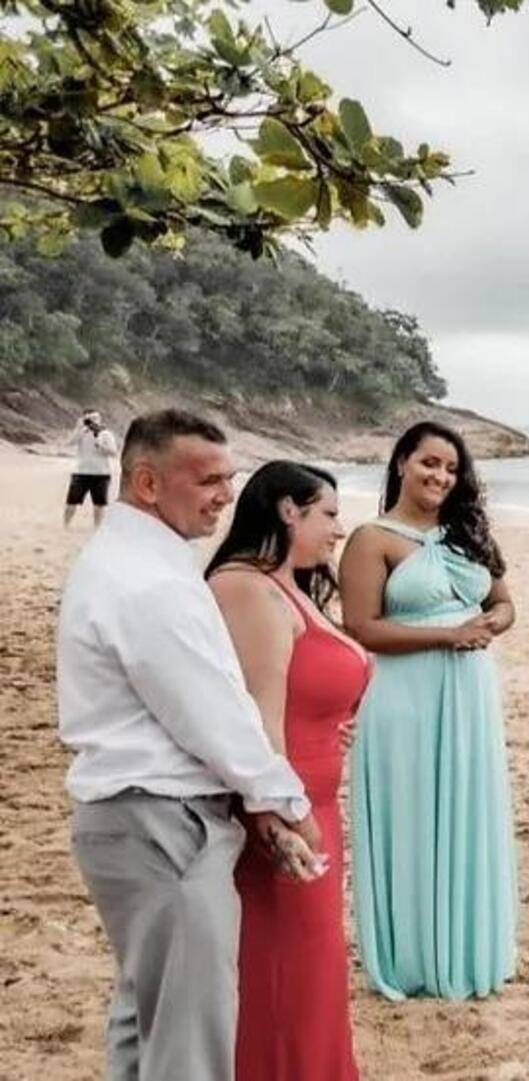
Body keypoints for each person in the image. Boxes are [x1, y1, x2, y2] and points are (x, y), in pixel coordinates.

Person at [57, 409, 321, 1080]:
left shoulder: (128, 560)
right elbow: (209, 712)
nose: (226, 495)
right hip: (161, 823)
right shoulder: (146, 581)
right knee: (189, 1040)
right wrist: (281, 795)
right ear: (148, 482)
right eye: (208, 480)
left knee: (145, 1018)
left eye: (229, 478)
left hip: (128, 819)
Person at [340, 421, 518, 1000]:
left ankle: (465, 944)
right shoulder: (372, 539)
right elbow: (362, 627)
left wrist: (494, 621)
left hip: (469, 695)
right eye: (429, 464)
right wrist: (447, 637)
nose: (441, 476)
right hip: (406, 695)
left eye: (451, 468)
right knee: (414, 813)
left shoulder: (466, 533)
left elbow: (503, 601)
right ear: (401, 464)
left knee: (468, 808)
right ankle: (415, 953)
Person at [207, 461, 369, 1080]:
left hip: (316, 800)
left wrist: (335, 716)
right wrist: (280, 819)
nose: (337, 529)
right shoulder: (247, 587)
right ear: (287, 511)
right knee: (284, 979)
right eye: (328, 514)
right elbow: (259, 722)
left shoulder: (290, 584)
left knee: (314, 974)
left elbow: (307, 685)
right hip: (286, 811)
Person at [64, 409, 119, 528]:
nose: (93, 421)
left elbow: (114, 452)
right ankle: (66, 525)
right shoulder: (81, 432)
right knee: (71, 502)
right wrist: (77, 428)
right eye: (89, 419)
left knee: (99, 504)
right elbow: (68, 443)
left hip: (101, 473)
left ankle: (97, 528)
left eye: (95, 418)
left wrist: (102, 448)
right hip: (81, 472)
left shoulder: (106, 434)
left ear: (100, 420)